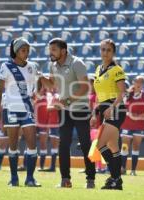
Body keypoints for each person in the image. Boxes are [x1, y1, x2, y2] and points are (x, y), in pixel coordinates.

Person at [40, 38, 96, 188]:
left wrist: (68, 101)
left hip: (81, 110)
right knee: (63, 145)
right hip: (64, 111)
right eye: (50, 49)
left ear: (63, 51)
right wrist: (39, 76)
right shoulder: (52, 65)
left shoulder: (77, 63)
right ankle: (65, 180)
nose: (50, 52)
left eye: (54, 49)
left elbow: (85, 88)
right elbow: (52, 85)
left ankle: (90, 180)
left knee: (85, 144)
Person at [0, 37, 40, 187]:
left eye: (28, 50)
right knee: (13, 146)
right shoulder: (6, 66)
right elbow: (0, 90)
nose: (26, 53)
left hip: (27, 110)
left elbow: (35, 85)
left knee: (32, 145)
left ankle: (30, 179)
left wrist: (35, 93)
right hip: (11, 110)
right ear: (15, 51)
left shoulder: (32, 66)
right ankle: (14, 178)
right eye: (23, 50)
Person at [90, 39, 127, 190]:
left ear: (113, 52)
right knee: (112, 147)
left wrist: (111, 107)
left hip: (117, 110)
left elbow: (122, 93)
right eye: (103, 49)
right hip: (106, 111)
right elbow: (99, 95)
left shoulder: (117, 69)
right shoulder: (98, 69)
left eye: (108, 50)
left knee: (100, 144)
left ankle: (115, 178)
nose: (105, 53)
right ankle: (116, 181)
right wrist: (94, 113)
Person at [120, 75, 144, 176]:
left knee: (136, 146)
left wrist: (138, 117)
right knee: (124, 146)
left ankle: (133, 170)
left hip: (139, 124)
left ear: (143, 84)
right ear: (133, 82)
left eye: (141, 82)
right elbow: (122, 108)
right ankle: (123, 168)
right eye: (137, 81)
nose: (138, 84)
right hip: (127, 123)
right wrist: (130, 114)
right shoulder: (127, 94)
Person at [35, 79, 60, 172]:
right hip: (50, 123)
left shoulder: (56, 95)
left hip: (55, 123)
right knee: (48, 145)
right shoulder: (50, 95)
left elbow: (57, 107)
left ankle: (52, 167)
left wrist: (54, 106)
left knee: (54, 145)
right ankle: (45, 166)